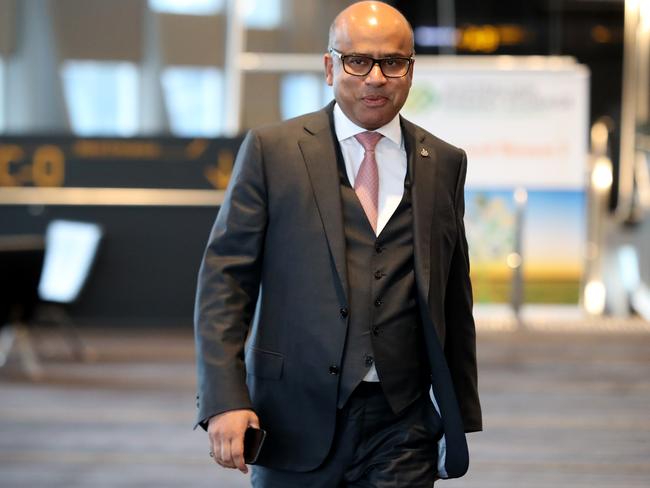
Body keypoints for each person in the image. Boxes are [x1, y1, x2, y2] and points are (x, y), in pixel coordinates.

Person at [194, 1, 481, 486]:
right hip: (291, 419)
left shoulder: (444, 162)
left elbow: (453, 293)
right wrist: (225, 398)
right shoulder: (274, 151)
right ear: (330, 67)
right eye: (357, 61)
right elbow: (226, 283)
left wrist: (459, 406)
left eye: (392, 63)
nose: (375, 77)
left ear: (410, 72)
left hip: (403, 423)